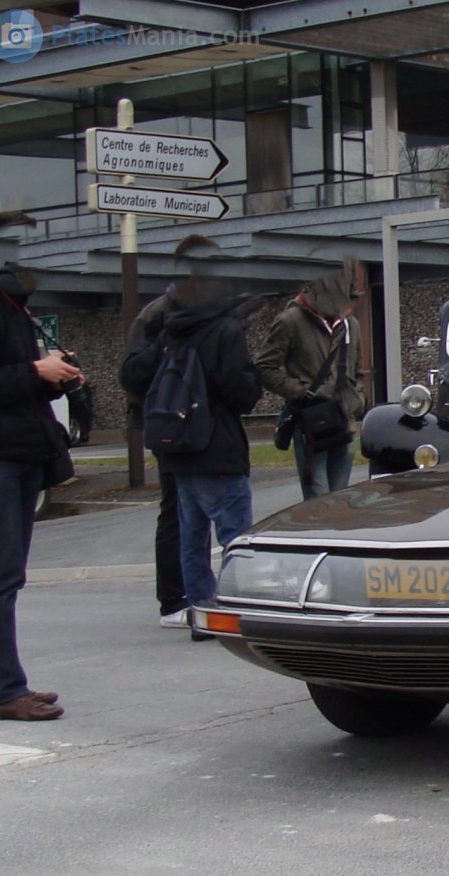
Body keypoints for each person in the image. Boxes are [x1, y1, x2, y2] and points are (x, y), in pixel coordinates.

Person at [0, 262, 81, 720]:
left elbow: (14, 383)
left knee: (3, 576)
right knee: (1, 577)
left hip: (16, 451)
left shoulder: (14, 312)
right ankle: (4, 691)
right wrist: (35, 371)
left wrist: (54, 376)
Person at [153, 282, 263, 641]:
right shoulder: (225, 330)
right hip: (218, 446)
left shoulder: (174, 328)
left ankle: (202, 611)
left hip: (181, 447)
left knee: (192, 536)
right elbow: (238, 390)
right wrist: (255, 380)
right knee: (235, 535)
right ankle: (236, 609)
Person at [120, 234, 219, 631]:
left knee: (200, 508)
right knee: (176, 507)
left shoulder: (209, 313)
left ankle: (198, 592)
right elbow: (130, 374)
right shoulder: (156, 315)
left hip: (205, 425)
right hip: (169, 425)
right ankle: (173, 598)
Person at [254, 256, 368, 500]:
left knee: (341, 501)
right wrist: (299, 390)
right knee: (318, 502)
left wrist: (356, 400)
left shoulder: (351, 325)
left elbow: (358, 370)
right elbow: (264, 367)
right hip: (310, 423)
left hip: (343, 421)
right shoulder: (290, 321)